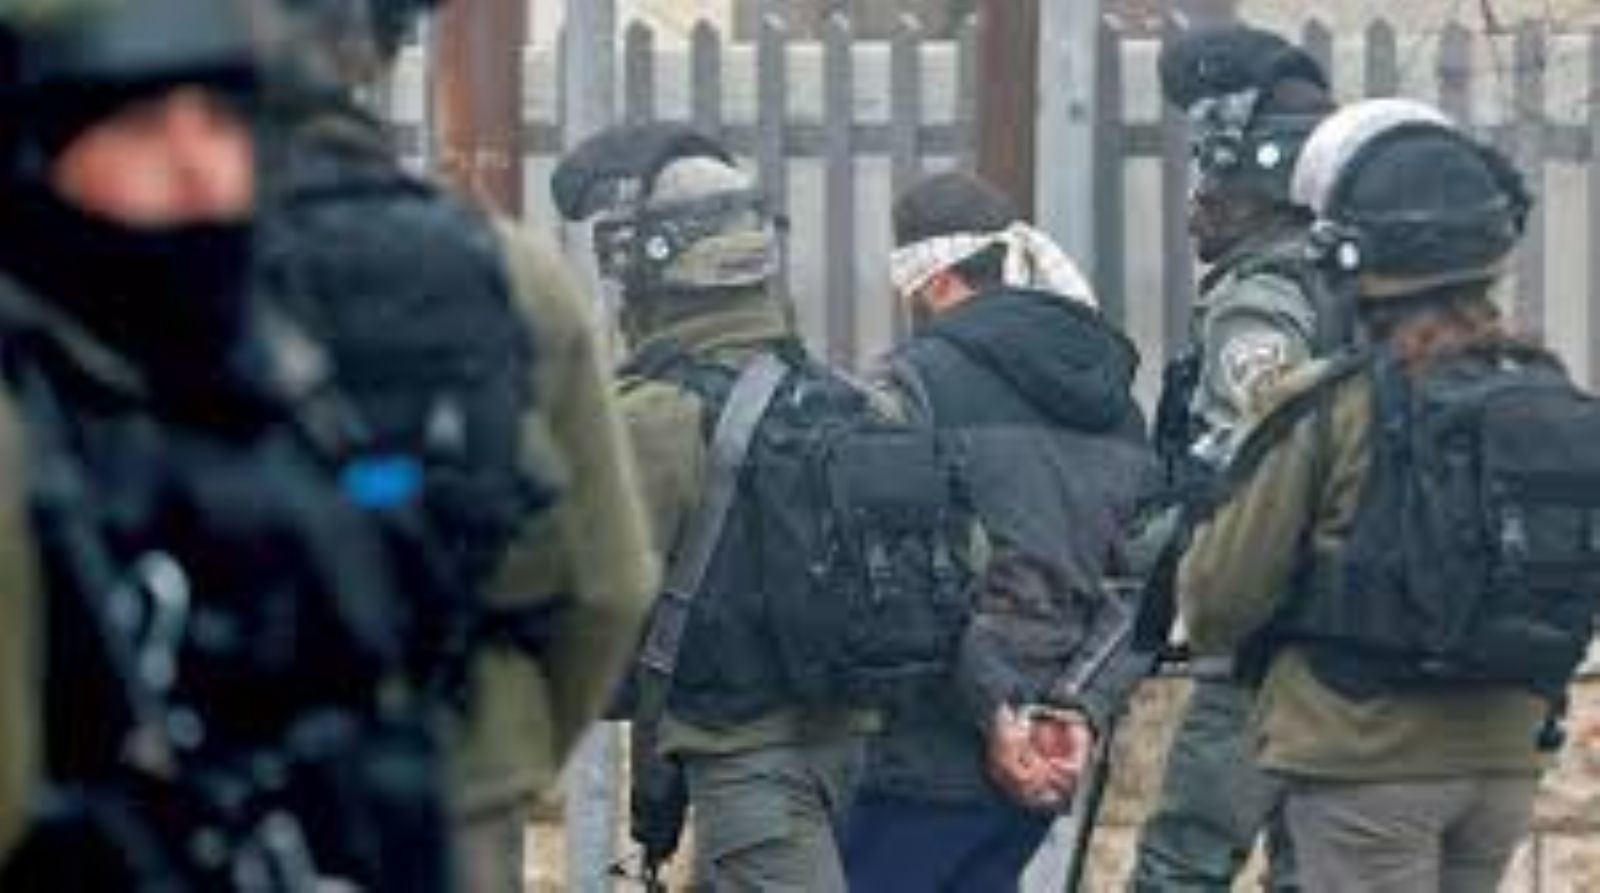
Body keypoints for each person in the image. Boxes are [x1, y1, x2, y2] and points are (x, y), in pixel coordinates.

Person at [0, 0, 451, 888]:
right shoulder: (31, 423)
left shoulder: (274, 378)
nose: (197, 166)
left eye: (219, 117)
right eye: (139, 124)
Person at [258, 2, 659, 891]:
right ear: (375, 58)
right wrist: (511, 753)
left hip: (209, 774)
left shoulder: (136, 269)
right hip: (459, 773)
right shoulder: (516, 273)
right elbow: (612, 583)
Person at [1177, 97, 1573, 893]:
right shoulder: (1547, 393)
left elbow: (1219, 595)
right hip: (1505, 753)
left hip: (1364, 755)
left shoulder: (1334, 405)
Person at [555, 124, 882, 892]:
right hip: (857, 748)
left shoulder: (652, 414)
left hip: (742, 760)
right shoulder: (852, 401)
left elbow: (585, 584)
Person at [842, 171, 1153, 890]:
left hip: (922, 749)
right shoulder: (1116, 398)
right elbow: (1144, 584)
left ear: (936, 280)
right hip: (1045, 759)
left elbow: (909, 578)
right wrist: (1076, 708)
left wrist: (998, 710)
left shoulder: (910, 387)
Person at [1130, 24, 1337, 891]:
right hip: (1354, 644)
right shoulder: (1356, 283)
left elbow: (1251, 473)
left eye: (1212, 182)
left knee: (1182, 862)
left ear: (1257, 189)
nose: (1196, 206)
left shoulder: (1260, 304)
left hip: (1267, 645)